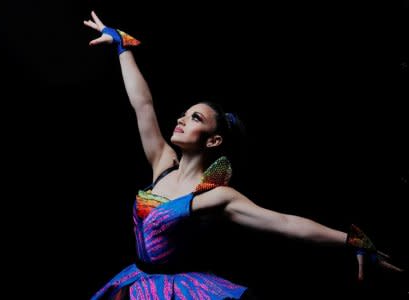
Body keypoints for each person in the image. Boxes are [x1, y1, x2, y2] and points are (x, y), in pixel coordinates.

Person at [83, 11, 404, 300]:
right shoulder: (162, 162)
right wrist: (122, 47)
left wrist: (351, 241)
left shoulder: (216, 196)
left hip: (173, 292)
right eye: (184, 113)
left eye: (195, 118)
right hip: (133, 282)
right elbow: (143, 105)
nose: (181, 119)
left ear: (214, 140)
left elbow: (285, 223)